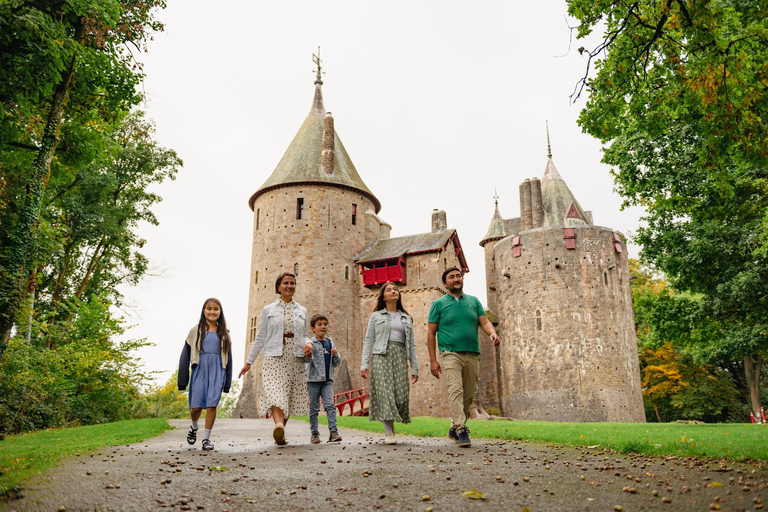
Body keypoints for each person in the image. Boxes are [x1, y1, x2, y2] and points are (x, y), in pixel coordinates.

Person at [427, 267, 499, 448]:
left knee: (468, 394)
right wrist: (433, 360)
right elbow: (430, 333)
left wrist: (492, 333)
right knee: (455, 390)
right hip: (450, 352)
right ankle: (461, 429)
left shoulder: (474, 302)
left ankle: (453, 427)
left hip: (472, 353)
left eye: (458, 276)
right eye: (451, 277)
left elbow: (485, 322)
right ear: (445, 283)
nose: (456, 279)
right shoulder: (439, 304)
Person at [238, 273, 310, 446]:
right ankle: (278, 424)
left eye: (292, 283)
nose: (289, 286)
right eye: (286, 283)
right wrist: (249, 362)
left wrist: (309, 344)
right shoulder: (268, 310)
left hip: (294, 357)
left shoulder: (302, 311)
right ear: (279, 287)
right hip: (274, 356)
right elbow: (261, 337)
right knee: (276, 392)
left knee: (288, 396)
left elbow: (305, 335)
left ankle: (280, 431)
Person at [360, 281, 419, 445]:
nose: (394, 291)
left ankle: (392, 427)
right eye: (389, 290)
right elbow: (368, 340)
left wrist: (415, 368)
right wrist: (364, 364)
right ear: (383, 296)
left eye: (395, 289)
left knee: (400, 396)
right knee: (385, 394)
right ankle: (389, 433)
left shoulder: (406, 318)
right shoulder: (376, 316)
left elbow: (412, 345)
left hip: (400, 356)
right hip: (381, 356)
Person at [178, 297, 233, 451]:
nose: (212, 311)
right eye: (209, 308)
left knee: (211, 405)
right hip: (199, 370)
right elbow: (185, 356)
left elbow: (229, 359)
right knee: (195, 408)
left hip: (217, 372)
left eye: (216, 309)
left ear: (220, 312)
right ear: (204, 311)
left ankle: (206, 439)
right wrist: (182, 380)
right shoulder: (195, 331)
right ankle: (194, 427)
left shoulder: (225, 334)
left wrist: (227, 383)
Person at [304, 314, 342, 444]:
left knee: (330, 405)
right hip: (313, 381)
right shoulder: (310, 343)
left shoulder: (330, 342)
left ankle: (333, 432)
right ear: (313, 328)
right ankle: (314, 434)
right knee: (314, 408)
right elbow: (307, 361)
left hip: (327, 380)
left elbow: (336, 363)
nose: (323, 326)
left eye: (325, 324)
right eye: (319, 324)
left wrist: (337, 355)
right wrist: (308, 354)